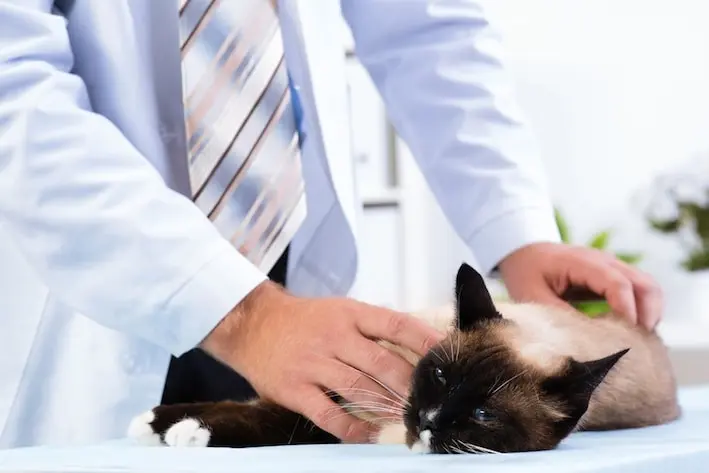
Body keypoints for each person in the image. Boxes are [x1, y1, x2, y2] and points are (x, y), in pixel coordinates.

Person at [0, 0, 662, 449]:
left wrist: (514, 229)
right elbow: (13, 88)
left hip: (298, 270)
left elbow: (427, 28)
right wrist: (244, 316)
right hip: (87, 274)